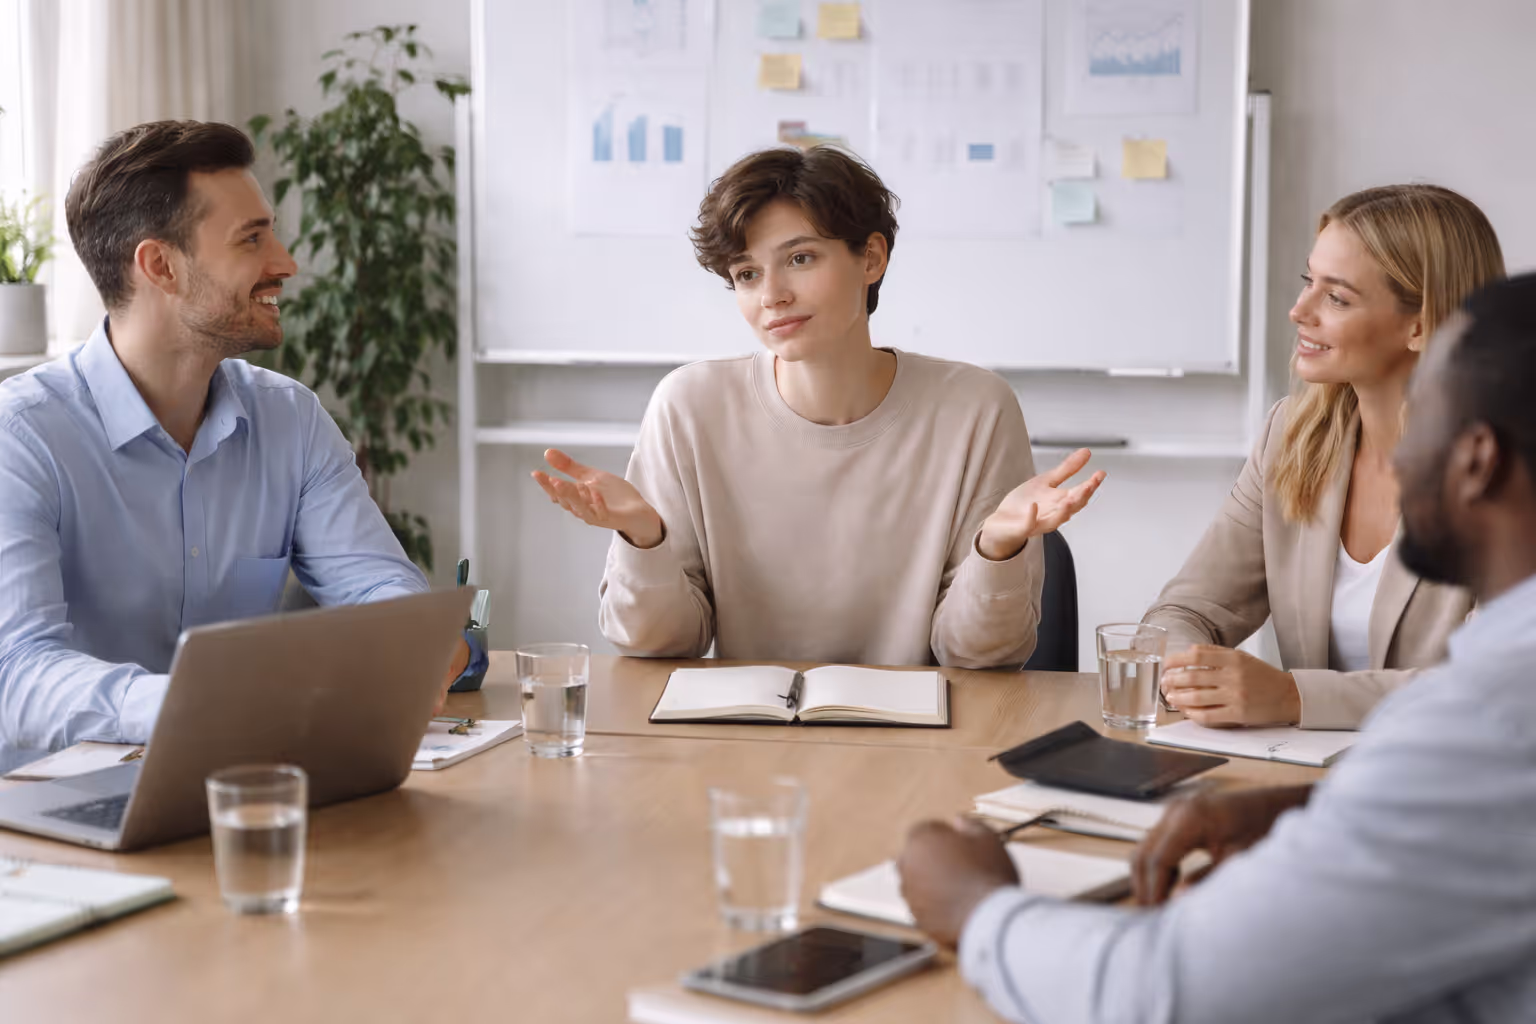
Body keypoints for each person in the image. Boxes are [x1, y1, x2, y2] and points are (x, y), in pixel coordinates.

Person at [896, 273, 1536, 1024]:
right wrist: (1322, 809)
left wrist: (974, 904)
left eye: (1423, 419)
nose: (1396, 458)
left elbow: (1164, 993)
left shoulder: (1489, 720)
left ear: (1477, 460)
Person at [0, 120, 483, 752]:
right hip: (55, 810)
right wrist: (205, 705)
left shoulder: (290, 419)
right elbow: (18, 675)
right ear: (160, 265)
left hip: (243, 784)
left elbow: (375, 588)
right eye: (251, 240)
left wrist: (413, 641)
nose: (285, 262)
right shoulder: (21, 438)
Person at [531, 146, 1103, 668]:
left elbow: (979, 656)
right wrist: (644, 538)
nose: (771, 294)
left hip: (921, 750)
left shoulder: (976, 408)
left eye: (800, 259)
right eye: (747, 274)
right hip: (743, 746)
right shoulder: (689, 405)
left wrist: (997, 549)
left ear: (871, 257)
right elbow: (660, 643)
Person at [1147, 185, 1503, 729]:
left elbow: (1496, 683)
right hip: (1304, 774)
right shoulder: (1290, 435)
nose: (1298, 311)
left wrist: (1295, 697)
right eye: (1307, 283)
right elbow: (1186, 612)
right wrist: (1191, 673)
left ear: (1421, 324)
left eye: (1336, 298)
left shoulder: (1509, 471)